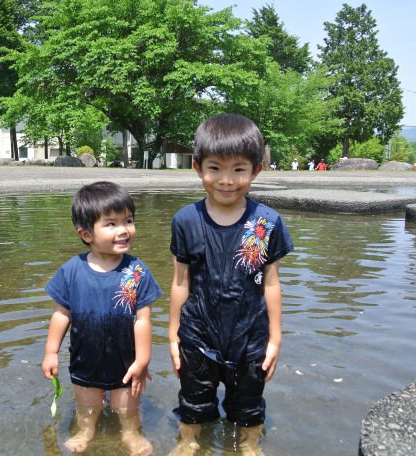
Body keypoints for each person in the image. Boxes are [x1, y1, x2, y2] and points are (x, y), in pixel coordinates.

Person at [169, 113, 294, 455]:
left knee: (248, 407)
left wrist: (276, 338)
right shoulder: (185, 220)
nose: (226, 180)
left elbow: (271, 283)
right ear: (197, 167)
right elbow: (180, 281)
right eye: (214, 168)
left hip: (250, 336)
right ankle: (189, 441)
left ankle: (249, 446)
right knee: (193, 401)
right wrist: (173, 333)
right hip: (197, 333)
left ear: (256, 170)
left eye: (239, 169)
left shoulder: (267, 222)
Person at [42, 181, 163, 455]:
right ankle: (86, 431)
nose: (123, 230)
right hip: (86, 358)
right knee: (88, 406)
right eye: (111, 224)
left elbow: (142, 319)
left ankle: (131, 434)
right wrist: (51, 352)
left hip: (126, 360)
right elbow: (61, 314)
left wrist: (142, 361)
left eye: (128, 221)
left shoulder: (136, 271)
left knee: (127, 407)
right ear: (86, 234)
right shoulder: (72, 271)